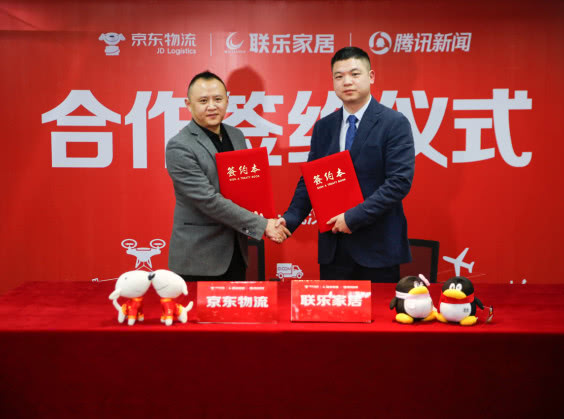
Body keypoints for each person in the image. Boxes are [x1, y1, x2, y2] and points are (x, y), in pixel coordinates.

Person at [278, 47, 415, 283]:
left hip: (378, 249)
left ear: (371, 76)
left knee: (379, 308)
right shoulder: (324, 127)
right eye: (339, 76)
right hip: (334, 250)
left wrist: (353, 217)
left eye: (354, 74)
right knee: (334, 307)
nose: (347, 82)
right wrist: (288, 220)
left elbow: (399, 182)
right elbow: (312, 180)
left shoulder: (394, 123)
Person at [166, 71, 290, 281]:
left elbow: (246, 188)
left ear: (227, 100)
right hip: (199, 259)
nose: (212, 106)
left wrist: (267, 216)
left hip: (236, 252)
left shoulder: (236, 135)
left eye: (218, 99)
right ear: (188, 104)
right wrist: (263, 225)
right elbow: (208, 200)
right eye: (203, 101)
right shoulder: (179, 146)